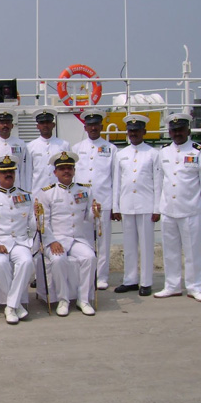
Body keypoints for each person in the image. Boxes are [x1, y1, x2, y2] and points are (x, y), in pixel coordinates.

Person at [155, 113, 201, 303]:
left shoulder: (199, 152)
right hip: (168, 209)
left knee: (192, 251)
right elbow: (159, 182)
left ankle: (195, 287)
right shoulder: (163, 152)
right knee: (170, 251)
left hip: (191, 209)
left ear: (188, 130)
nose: (177, 133)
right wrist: (157, 208)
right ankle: (172, 286)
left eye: (180, 130)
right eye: (173, 130)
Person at [35, 151, 99, 317]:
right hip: (56, 239)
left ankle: (83, 299)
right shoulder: (47, 192)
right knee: (58, 259)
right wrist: (51, 241)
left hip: (77, 239)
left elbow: (89, 218)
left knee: (90, 258)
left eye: (69, 168)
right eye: (62, 168)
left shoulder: (84, 191)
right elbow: (43, 222)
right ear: (55, 172)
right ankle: (63, 299)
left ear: (74, 170)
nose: (66, 171)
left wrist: (95, 211)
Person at [0, 156, 35, 324]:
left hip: (19, 242)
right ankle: (16, 306)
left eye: (11, 171)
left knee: (26, 261)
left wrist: (37, 222)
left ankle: (11, 306)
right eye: (4, 172)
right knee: (2, 263)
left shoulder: (26, 197)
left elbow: (32, 224)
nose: (8, 175)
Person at [112, 115, 161, 296]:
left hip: (146, 205)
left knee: (147, 245)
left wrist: (157, 208)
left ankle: (146, 282)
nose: (133, 134)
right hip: (127, 205)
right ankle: (130, 279)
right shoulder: (121, 154)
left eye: (137, 130)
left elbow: (158, 182)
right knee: (129, 244)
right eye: (131, 131)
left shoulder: (153, 154)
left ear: (144, 132)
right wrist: (116, 207)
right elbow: (117, 182)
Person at [72, 109, 117, 290]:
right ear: (85, 126)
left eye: (96, 124)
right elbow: (74, 177)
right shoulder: (76, 148)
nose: (93, 128)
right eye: (90, 125)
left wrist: (115, 204)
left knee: (103, 241)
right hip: (83, 203)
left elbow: (115, 178)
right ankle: (87, 274)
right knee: (84, 240)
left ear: (101, 126)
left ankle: (102, 276)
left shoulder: (111, 149)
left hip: (103, 200)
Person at [0, 109, 31, 192]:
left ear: (12, 125)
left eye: (8, 122)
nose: (5, 125)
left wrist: (24, 190)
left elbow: (23, 170)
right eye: (2, 123)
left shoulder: (20, 144)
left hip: (15, 189)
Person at [26, 108, 70, 196]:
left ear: (53, 125)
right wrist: (29, 193)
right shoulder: (30, 147)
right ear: (37, 126)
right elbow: (28, 173)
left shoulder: (64, 145)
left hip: (60, 192)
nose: (45, 125)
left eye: (48, 122)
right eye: (42, 123)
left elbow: (69, 170)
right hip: (38, 192)